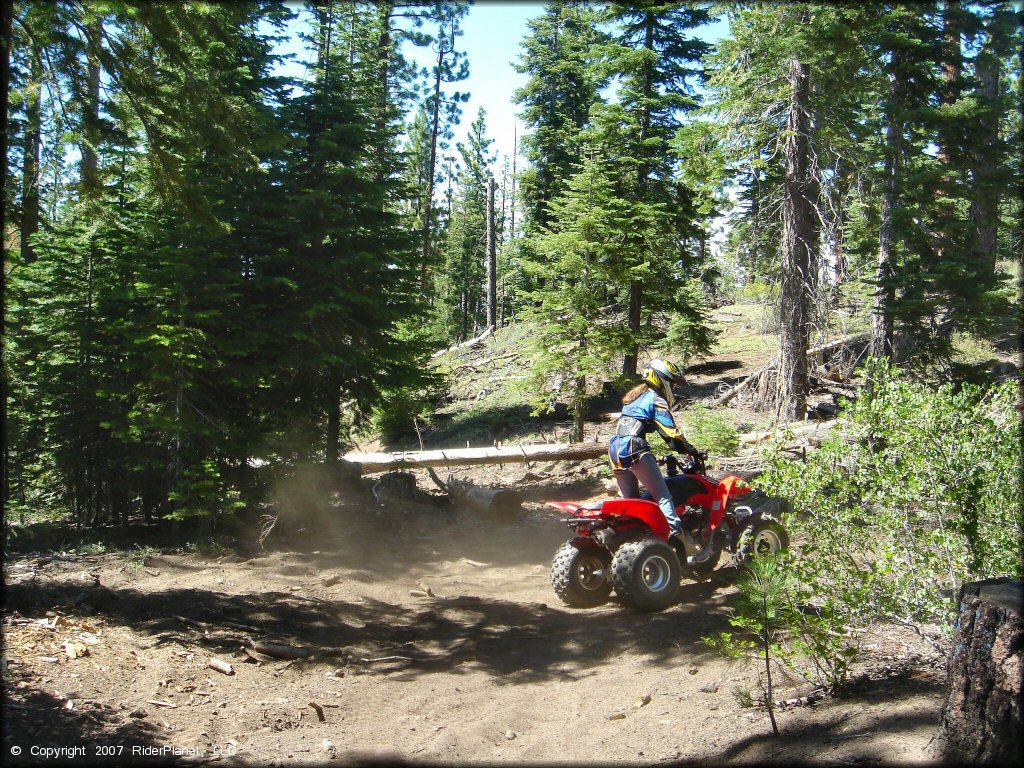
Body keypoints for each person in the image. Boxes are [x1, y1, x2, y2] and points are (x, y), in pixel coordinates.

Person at [608, 359, 711, 561]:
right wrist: (691, 450)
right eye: (672, 384)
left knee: (632, 504)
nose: (672, 388)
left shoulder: (634, 399)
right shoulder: (655, 399)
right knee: (663, 496)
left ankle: (632, 539)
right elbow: (671, 434)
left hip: (615, 452)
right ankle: (675, 534)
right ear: (662, 380)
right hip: (633, 449)